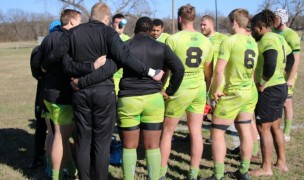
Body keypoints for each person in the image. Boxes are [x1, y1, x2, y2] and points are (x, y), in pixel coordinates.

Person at [48, 3, 164, 179]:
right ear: (106, 18)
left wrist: (79, 75)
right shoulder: (108, 32)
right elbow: (123, 58)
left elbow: (57, 58)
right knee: (102, 142)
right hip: (103, 93)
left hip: (80, 93)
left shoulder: (72, 33)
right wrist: (150, 72)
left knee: (84, 140)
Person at [116, 16, 184, 180]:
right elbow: (179, 69)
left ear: (135, 30)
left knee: (129, 146)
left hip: (128, 99)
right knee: (153, 146)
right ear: (150, 31)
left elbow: (110, 68)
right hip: (154, 99)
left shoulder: (125, 46)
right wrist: (169, 91)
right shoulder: (161, 47)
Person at [159, 4, 213, 180]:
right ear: (194, 19)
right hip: (199, 88)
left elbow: (167, 69)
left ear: (179, 19)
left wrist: (163, 88)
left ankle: (161, 173)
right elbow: (208, 71)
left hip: (179, 88)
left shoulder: (173, 39)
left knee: (167, 132)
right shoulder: (206, 41)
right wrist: (207, 91)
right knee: (196, 132)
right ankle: (193, 174)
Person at [206, 9, 259, 180]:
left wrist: (216, 91)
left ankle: (218, 175)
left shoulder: (230, 41)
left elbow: (219, 70)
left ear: (234, 22)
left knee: (217, 132)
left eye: (228, 22)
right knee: (244, 128)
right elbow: (253, 73)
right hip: (249, 92)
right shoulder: (252, 42)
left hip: (233, 93)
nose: (227, 26)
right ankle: (243, 172)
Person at [40, 10, 83, 180]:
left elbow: (38, 65)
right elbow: (70, 66)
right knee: (61, 136)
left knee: (53, 134)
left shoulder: (48, 38)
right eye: (79, 20)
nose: (80, 23)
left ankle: (66, 170)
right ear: (72, 21)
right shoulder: (69, 38)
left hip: (47, 93)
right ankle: (56, 175)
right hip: (62, 94)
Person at [249, 9, 291, 177]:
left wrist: (262, 82)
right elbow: (292, 58)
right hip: (280, 86)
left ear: (260, 27)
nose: (252, 31)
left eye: (253, 28)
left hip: (270, 89)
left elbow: (271, 61)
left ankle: (266, 168)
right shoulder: (279, 37)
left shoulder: (267, 39)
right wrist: (284, 75)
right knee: (275, 126)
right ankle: (281, 162)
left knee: (263, 127)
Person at [273, 9, 301, 142]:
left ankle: (287, 132)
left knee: (286, 103)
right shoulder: (272, 32)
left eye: (276, 18)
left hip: (287, 75)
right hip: (275, 75)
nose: (274, 20)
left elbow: (296, 59)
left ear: (283, 19)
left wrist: (290, 78)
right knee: (275, 102)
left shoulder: (291, 35)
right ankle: (275, 129)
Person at [111, 13, 131, 94]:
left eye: (121, 22)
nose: (119, 24)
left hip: (124, 78)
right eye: (116, 22)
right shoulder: (107, 37)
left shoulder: (129, 40)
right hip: (110, 77)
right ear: (112, 24)